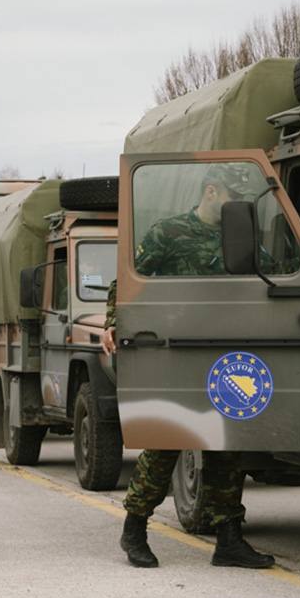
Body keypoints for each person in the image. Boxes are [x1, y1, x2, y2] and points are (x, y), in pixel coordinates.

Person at [101, 165, 275, 570]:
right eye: (235, 197)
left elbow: (271, 275)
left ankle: (229, 539)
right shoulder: (169, 232)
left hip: (225, 351)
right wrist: (113, 320)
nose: (241, 206)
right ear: (212, 191)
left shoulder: (242, 238)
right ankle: (135, 529)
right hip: (176, 350)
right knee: (167, 440)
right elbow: (127, 283)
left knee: (228, 443)